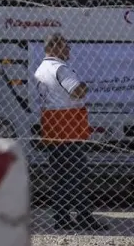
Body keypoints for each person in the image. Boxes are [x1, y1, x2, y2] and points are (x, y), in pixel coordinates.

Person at [32, 33, 104, 231]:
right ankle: (83, 217)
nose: (68, 50)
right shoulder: (60, 68)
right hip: (69, 127)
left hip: (52, 127)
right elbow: (77, 91)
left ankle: (63, 217)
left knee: (62, 176)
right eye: (65, 47)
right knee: (77, 175)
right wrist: (85, 85)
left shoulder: (40, 69)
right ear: (54, 47)